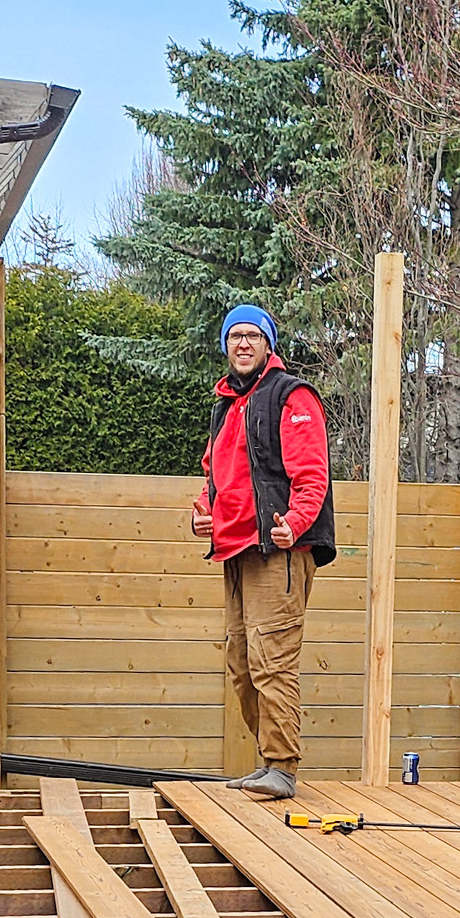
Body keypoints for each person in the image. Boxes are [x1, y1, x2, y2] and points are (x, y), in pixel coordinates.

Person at [192, 303, 335, 799]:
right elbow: (216, 478)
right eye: (235, 337)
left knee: (271, 658)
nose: (244, 344)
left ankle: (282, 766)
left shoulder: (289, 396)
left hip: (278, 550)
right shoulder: (226, 406)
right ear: (226, 347)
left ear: (268, 345)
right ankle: (269, 759)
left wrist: (294, 525)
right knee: (241, 661)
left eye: (253, 336)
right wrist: (202, 515)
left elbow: (312, 473)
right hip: (235, 550)